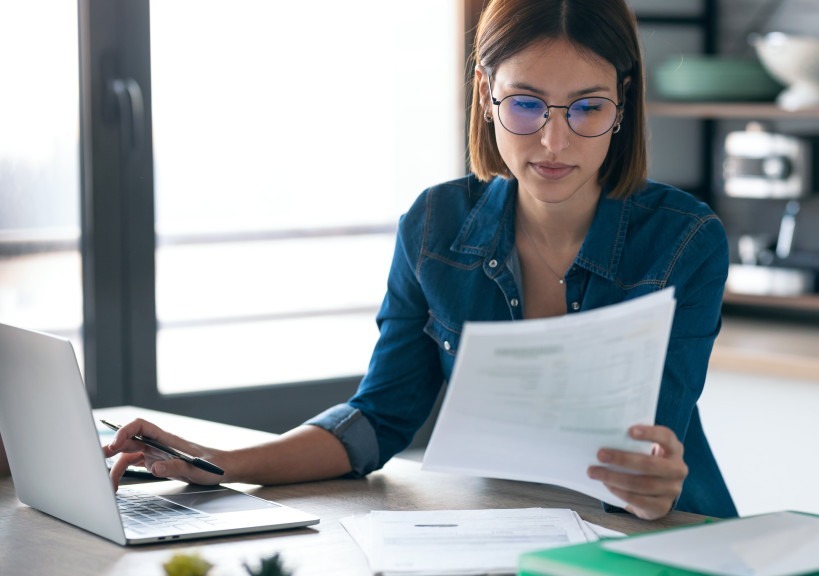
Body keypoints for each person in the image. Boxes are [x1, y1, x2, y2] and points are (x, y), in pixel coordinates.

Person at [105, 0, 737, 521]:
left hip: (663, 535)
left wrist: (654, 481)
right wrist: (219, 461)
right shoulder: (435, 226)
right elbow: (378, 419)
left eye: (588, 107)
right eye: (525, 103)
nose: (554, 139)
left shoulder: (685, 239)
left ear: (623, 103)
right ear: (486, 93)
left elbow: (654, 445)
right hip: (505, 532)